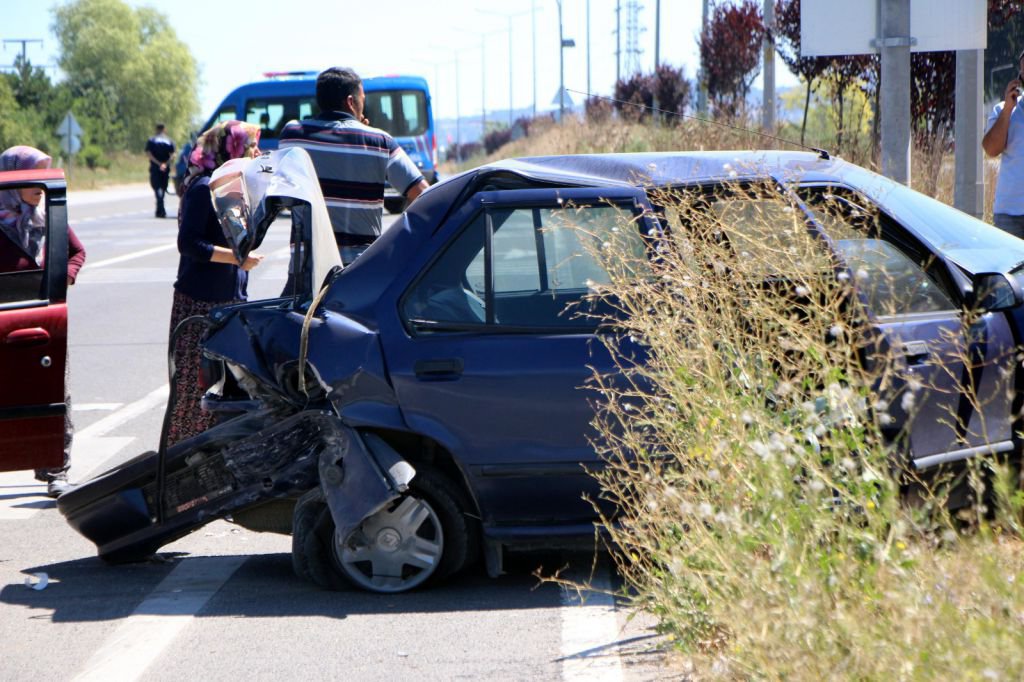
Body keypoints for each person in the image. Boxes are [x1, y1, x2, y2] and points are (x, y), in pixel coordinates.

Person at [167, 121, 263, 446]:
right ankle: (181, 468)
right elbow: (189, 244)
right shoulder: (202, 188)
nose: (256, 153)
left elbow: (242, 242)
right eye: (250, 147)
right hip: (199, 305)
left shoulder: (232, 188)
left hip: (231, 304)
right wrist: (236, 259)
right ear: (231, 149)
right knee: (194, 393)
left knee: (228, 393)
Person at [279, 66, 430, 269]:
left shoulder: (292, 134)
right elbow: (423, 194)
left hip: (306, 269)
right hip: (361, 269)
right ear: (351, 102)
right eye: (362, 101)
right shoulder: (380, 141)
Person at [0, 145, 87, 497]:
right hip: (3, 319)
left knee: (51, 392)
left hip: (40, 320)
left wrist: (62, 276)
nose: (40, 191)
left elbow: (77, 252)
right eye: (33, 183)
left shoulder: (46, 217)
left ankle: (55, 469)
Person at [983, 49, 1024, 238]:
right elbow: (991, 149)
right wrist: (1008, 110)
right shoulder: (1003, 110)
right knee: (1008, 268)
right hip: (1009, 214)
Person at [145, 123, 176, 218]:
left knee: (157, 187)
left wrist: (158, 164)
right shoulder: (169, 140)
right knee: (163, 187)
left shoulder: (151, 140)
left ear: (156, 129)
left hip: (155, 168)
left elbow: (149, 154)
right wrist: (165, 164)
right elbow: (173, 155)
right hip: (165, 169)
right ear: (164, 129)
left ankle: (160, 209)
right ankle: (160, 209)